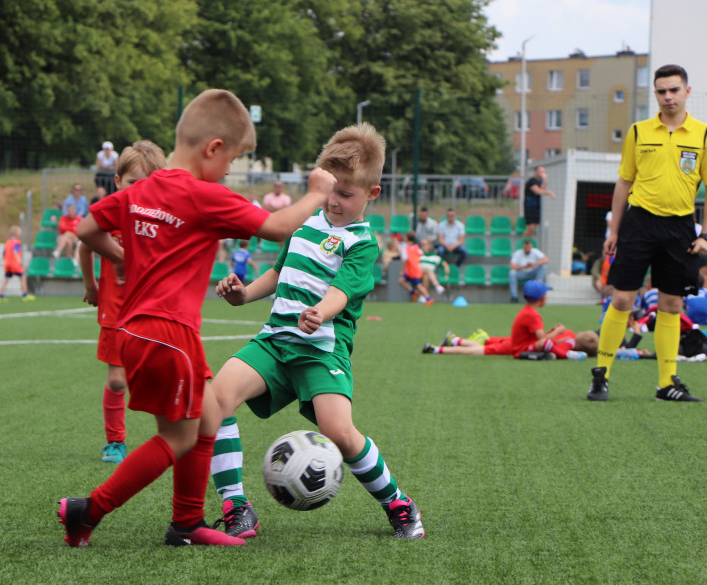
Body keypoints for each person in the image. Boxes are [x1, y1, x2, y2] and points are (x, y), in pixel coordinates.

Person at [58, 89, 337, 548]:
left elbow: (86, 229)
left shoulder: (139, 190)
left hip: (133, 329)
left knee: (207, 417)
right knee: (179, 437)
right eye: (233, 159)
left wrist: (124, 259)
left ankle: (186, 523)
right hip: (171, 335)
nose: (230, 170)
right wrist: (316, 193)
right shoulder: (204, 195)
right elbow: (279, 227)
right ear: (212, 148)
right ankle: (88, 510)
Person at [209, 122, 425, 541]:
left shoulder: (362, 242)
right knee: (215, 399)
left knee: (340, 433)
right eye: (330, 190)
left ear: (372, 194)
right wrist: (243, 295)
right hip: (274, 343)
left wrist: (320, 313)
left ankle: (398, 503)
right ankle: (237, 507)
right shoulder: (304, 222)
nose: (335, 201)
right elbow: (278, 271)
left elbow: (343, 291)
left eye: (347, 194)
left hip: (321, 352)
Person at [587, 64, 707, 403]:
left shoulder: (705, 135)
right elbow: (624, 182)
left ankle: (667, 383)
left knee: (672, 302)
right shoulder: (638, 131)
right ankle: (601, 375)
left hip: (680, 227)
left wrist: (705, 235)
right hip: (639, 223)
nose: (667, 97)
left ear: (687, 92)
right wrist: (614, 229)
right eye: (661, 91)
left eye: (674, 90)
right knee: (621, 298)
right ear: (656, 94)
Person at [79, 140, 168, 465]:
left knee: (159, 377)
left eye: (148, 183)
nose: (140, 190)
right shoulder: (110, 212)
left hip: (152, 309)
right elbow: (84, 244)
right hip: (115, 309)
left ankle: (175, 435)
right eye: (133, 183)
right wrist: (92, 286)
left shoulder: (160, 217)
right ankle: (115, 441)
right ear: (117, 182)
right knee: (117, 379)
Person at [424, 280, 595, 359]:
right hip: (516, 347)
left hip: (515, 344)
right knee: (478, 350)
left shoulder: (529, 311)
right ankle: (438, 349)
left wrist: (553, 333)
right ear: (541, 299)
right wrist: (557, 332)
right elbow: (542, 340)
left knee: (483, 346)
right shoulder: (533, 315)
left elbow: (540, 338)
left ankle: (453, 341)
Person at [0, 225, 35, 301]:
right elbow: (15, 251)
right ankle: (25, 295)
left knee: (6, 279)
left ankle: (0, 296)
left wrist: (5, 261)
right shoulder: (17, 242)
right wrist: (19, 260)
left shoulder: (7, 242)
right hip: (15, 264)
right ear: (17, 234)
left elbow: (4, 253)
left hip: (7, 264)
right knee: (23, 277)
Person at [508, 238, 549, 302]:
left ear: (531, 246)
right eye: (526, 247)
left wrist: (534, 264)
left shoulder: (536, 251)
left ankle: (538, 289)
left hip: (533, 272)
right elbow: (512, 266)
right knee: (512, 273)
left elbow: (546, 260)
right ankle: (514, 297)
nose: (527, 248)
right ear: (523, 247)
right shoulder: (517, 253)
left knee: (543, 267)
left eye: (528, 247)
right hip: (522, 273)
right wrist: (524, 267)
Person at [523, 166, 555, 238]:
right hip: (529, 206)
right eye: (541, 171)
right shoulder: (531, 181)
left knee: (534, 227)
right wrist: (550, 193)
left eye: (544, 171)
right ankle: (524, 241)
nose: (543, 173)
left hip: (537, 207)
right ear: (536, 172)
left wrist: (545, 179)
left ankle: (528, 242)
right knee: (530, 227)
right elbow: (538, 191)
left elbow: (542, 189)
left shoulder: (540, 181)